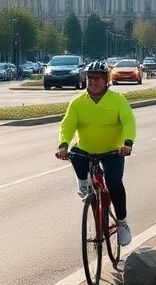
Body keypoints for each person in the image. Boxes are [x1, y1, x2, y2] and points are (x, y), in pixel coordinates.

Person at [56, 60, 137, 246]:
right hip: (86, 149)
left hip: (113, 151)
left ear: (106, 80)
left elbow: (128, 122)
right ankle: (83, 183)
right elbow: (67, 125)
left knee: (114, 183)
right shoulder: (77, 103)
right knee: (74, 153)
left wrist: (127, 144)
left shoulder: (118, 100)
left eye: (97, 78)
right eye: (90, 78)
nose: (93, 82)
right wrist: (63, 145)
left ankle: (122, 223)